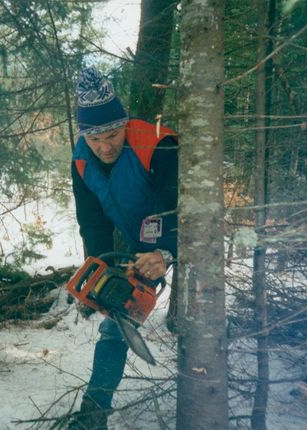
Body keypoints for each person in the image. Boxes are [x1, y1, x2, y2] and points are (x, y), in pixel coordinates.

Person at [68, 66, 178, 430]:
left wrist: (168, 252)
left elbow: (184, 205)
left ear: (125, 122)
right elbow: (93, 221)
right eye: (95, 138)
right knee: (117, 320)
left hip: (186, 237)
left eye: (113, 134)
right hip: (135, 244)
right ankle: (93, 413)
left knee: (199, 318)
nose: (105, 146)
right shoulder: (82, 158)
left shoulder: (158, 144)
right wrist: (100, 273)